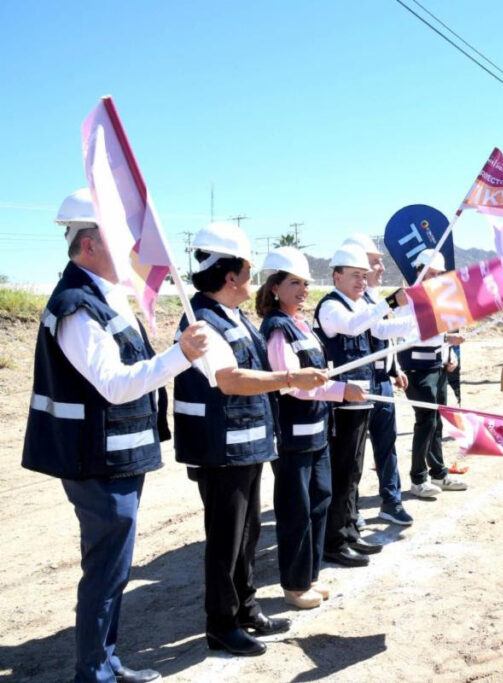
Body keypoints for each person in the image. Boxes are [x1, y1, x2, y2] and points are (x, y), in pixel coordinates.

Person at [22, 189, 209, 683]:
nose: (131, 245)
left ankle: (104, 663)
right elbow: (115, 384)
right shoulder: (77, 306)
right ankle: (94, 673)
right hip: (94, 460)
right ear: (89, 244)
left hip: (113, 457)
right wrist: (180, 356)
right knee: (106, 569)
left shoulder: (104, 297)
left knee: (113, 567)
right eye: (119, 235)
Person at [173, 222, 327, 657]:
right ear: (230, 276)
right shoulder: (202, 321)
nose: (251, 279)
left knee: (247, 533)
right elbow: (229, 379)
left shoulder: (232, 316)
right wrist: (290, 377)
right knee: (225, 539)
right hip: (220, 449)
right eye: (248, 271)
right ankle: (221, 624)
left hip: (246, 444)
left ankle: (246, 608)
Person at [256, 247, 365, 610]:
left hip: (317, 432)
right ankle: (295, 584)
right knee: (296, 511)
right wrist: (340, 391)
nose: (303, 290)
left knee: (320, 502)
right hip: (293, 438)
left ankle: (311, 575)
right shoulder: (276, 328)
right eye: (294, 283)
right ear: (274, 288)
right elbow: (290, 384)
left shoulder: (301, 323)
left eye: (305, 283)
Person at [312, 243, 394, 566]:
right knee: (341, 471)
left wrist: (423, 324)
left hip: (361, 399)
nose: (362, 281)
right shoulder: (332, 307)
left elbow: (382, 329)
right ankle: (334, 541)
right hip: (341, 403)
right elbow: (353, 326)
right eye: (355, 275)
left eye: (364, 275)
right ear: (336, 277)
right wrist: (389, 302)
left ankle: (348, 531)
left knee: (354, 472)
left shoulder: (359, 306)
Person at [339, 234, 417, 526]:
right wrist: (392, 304)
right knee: (354, 452)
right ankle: (352, 509)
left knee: (386, 444)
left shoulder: (374, 299)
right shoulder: (353, 303)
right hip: (359, 384)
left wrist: (394, 367)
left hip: (381, 380)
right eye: (375, 262)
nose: (381, 268)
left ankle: (391, 500)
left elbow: (384, 335)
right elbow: (371, 328)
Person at [398, 249, 466, 498]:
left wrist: (449, 354)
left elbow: (441, 332)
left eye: (438, 274)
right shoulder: (407, 299)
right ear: (419, 271)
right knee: (425, 421)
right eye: (430, 273)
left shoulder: (439, 299)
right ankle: (418, 479)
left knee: (436, 422)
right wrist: (446, 339)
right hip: (417, 368)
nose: (434, 279)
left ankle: (438, 473)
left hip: (437, 367)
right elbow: (409, 333)